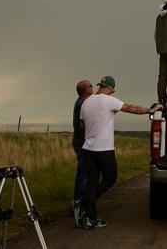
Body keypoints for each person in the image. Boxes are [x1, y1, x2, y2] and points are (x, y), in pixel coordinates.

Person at [79, 76, 161, 229]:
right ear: (110, 88)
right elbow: (131, 108)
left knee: (92, 181)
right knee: (110, 178)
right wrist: (150, 110)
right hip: (103, 149)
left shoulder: (86, 102)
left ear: (100, 85)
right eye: (112, 90)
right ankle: (85, 203)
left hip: (88, 148)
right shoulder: (109, 100)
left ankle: (90, 218)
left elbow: (82, 125)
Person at [71, 79, 93, 227]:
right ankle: (78, 202)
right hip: (82, 142)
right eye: (90, 86)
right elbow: (83, 126)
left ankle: (81, 201)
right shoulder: (82, 104)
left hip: (80, 141)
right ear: (85, 90)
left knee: (86, 172)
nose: (92, 88)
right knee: (83, 173)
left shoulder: (82, 102)